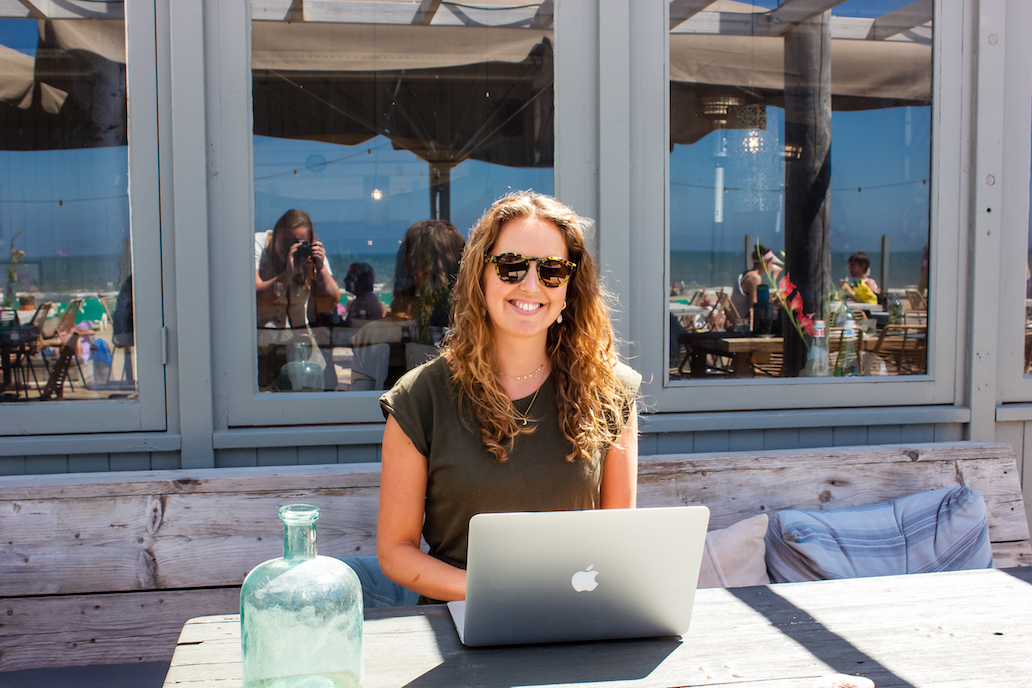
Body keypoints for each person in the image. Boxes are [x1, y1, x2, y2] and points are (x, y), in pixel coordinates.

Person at [376, 191, 641, 603]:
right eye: (512, 266)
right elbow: (396, 551)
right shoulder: (420, 398)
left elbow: (618, 537)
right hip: (461, 627)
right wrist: (495, 595)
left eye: (553, 270)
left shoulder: (611, 390)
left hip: (574, 621)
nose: (531, 285)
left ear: (569, 286)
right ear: (481, 276)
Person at [255, 209, 340, 390]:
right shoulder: (260, 244)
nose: (290, 249)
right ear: (274, 235)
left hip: (300, 345)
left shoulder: (310, 252)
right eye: (285, 242)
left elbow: (330, 302)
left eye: (298, 243)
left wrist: (320, 267)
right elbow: (256, 298)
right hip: (262, 344)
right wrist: (287, 274)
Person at [392, 219, 466, 344]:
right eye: (415, 267)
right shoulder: (473, 332)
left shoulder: (381, 333)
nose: (417, 275)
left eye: (426, 267)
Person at [729, 244, 780, 328]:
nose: (771, 266)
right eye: (770, 262)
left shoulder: (745, 274)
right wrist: (771, 301)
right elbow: (754, 304)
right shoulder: (755, 278)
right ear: (765, 262)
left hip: (735, 316)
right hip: (743, 320)